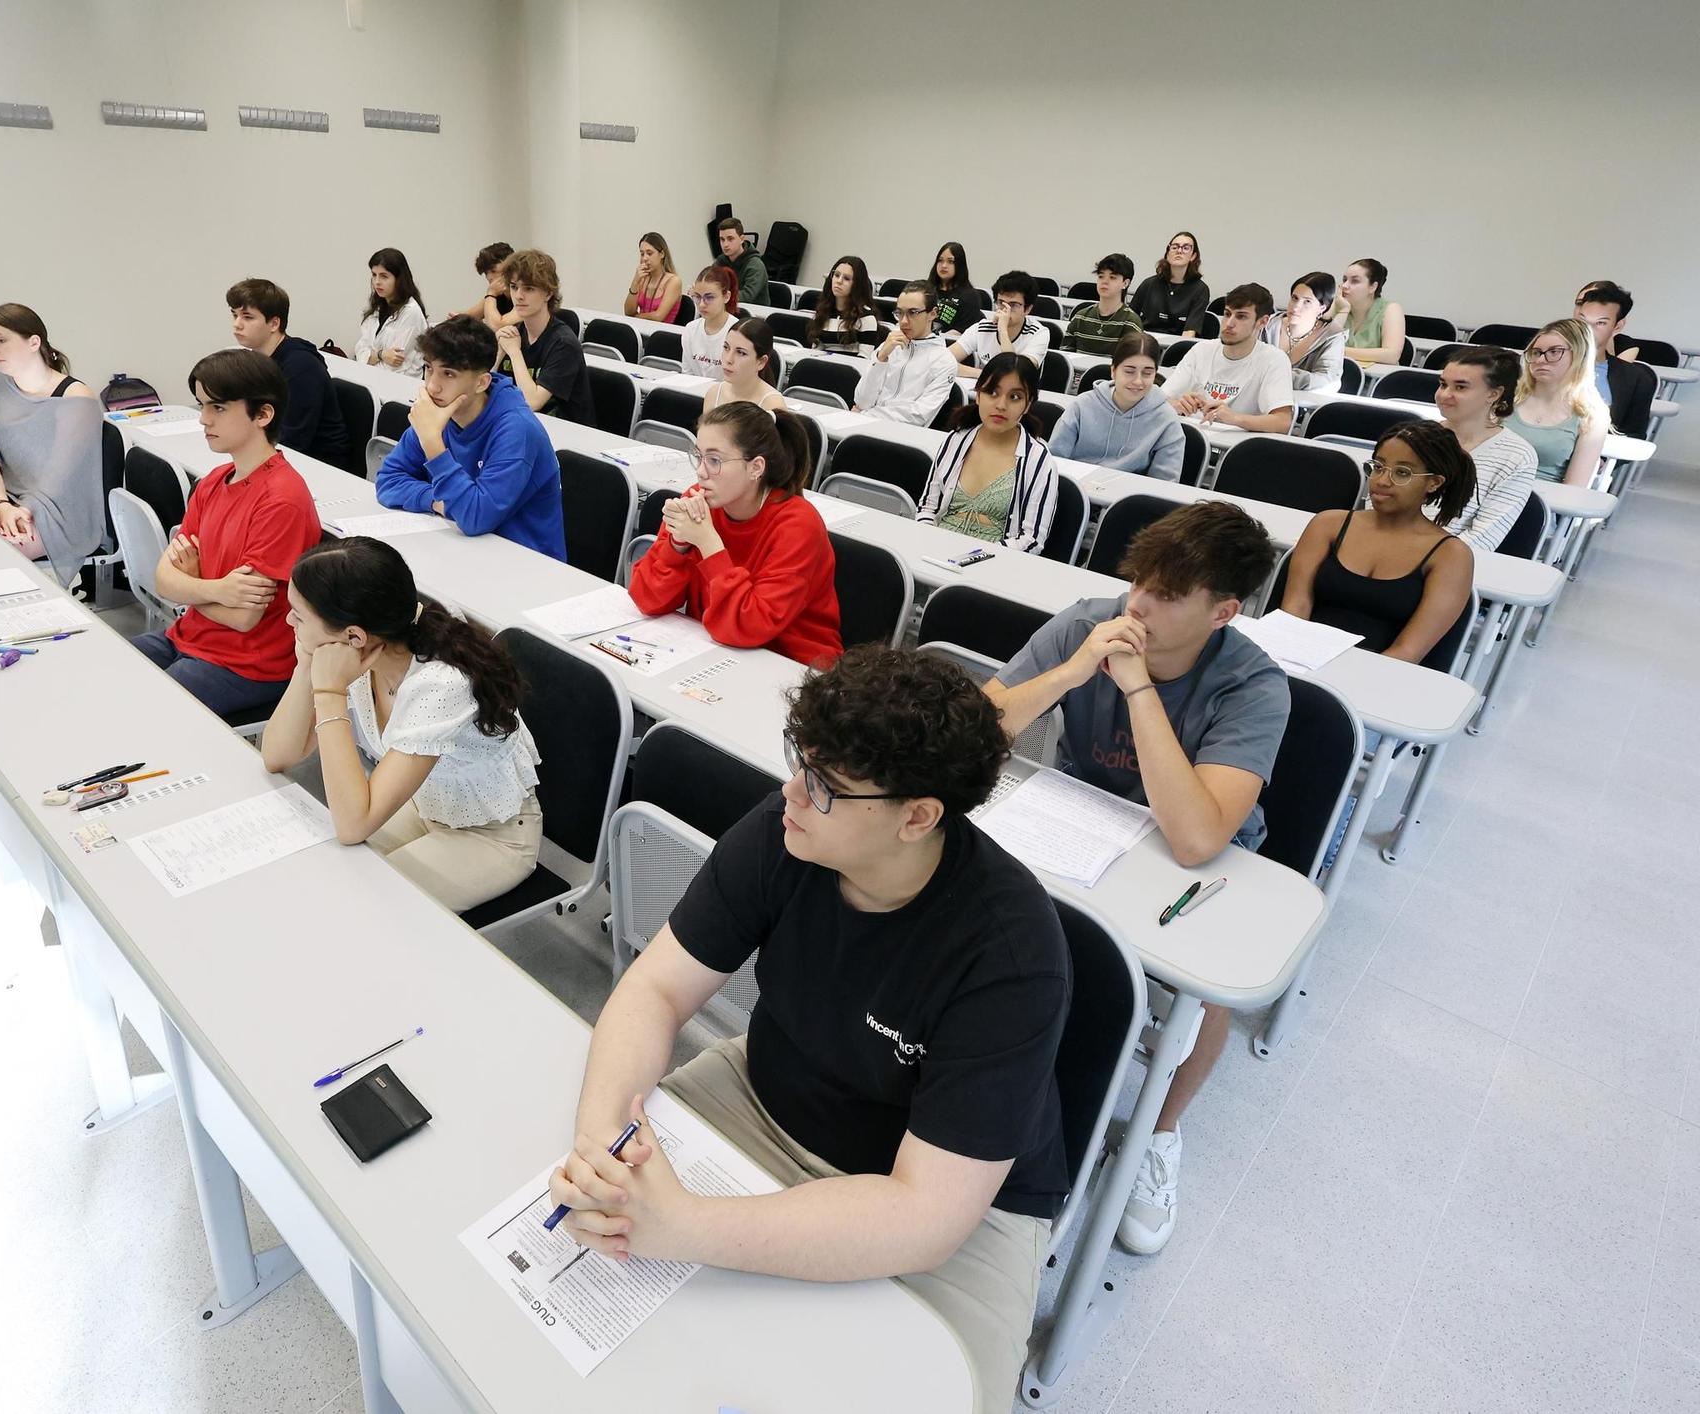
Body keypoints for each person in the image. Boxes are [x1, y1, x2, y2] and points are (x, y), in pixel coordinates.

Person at [547, 644, 1070, 1414]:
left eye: (825, 784)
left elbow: (924, 1218)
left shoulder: (1011, 955)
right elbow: (654, 990)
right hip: (763, 1096)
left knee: (940, 1394)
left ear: (917, 817)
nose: (792, 790)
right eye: (801, 760)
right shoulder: (788, 829)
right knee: (588, 1286)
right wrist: (602, 1153)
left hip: (948, 1196)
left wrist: (687, 1225)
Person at [983, 500, 1286, 1257]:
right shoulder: (1088, 620)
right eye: (1138, 583)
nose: (1137, 605)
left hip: (1203, 864)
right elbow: (975, 731)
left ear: (1222, 611)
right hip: (1080, 823)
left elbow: (1194, 837)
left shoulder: (1253, 687)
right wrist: (1076, 669)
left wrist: (1138, 689)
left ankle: (1158, 1131)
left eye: (1166, 595)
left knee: (1203, 985)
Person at [261, 538, 542, 911]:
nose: (287, 620)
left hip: (492, 835)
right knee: (319, 877)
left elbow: (352, 825)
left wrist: (329, 691)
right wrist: (305, 666)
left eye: (298, 614)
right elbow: (278, 755)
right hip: (425, 806)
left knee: (360, 908)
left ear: (354, 636)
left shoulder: (440, 685)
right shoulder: (361, 654)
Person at [130, 349, 323, 719]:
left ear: (263, 414)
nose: (203, 419)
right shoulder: (214, 482)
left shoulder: (282, 500)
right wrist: (216, 589)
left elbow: (243, 618)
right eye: (201, 405)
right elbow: (162, 580)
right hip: (188, 638)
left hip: (248, 665)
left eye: (217, 408)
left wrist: (189, 584)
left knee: (144, 711)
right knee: (107, 673)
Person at [627, 403, 841, 667]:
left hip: (796, 670)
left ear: (756, 468)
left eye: (715, 460)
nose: (701, 471)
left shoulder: (798, 525)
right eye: (699, 456)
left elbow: (750, 626)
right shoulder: (700, 500)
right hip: (720, 651)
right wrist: (678, 545)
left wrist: (708, 543)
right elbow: (646, 598)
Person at [1280, 420, 1477, 673]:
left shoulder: (1450, 556)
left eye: (1402, 473)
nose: (1382, 480)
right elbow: (1295, 608)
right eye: (1378, 467)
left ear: (1434, 482)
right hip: (1297, 661)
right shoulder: (1328, 525)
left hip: (1380, 676)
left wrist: (1340, 681)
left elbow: (1408, 651)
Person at [376, 315, 566, 560]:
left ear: (481, 382)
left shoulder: (517, 429)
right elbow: (387, 480)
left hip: (525, 563)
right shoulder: (440, 411)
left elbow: (476, 517)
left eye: (449, 374)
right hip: (464, 548)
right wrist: (436, 501)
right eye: (429, 369)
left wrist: (433, 444)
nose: (432, 386)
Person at [0, 303, 105, 589]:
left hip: (56, 504)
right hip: (1, 493)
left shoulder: (76, 395)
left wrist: (18, 510)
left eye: (0, 340)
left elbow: (62, 476)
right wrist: (1, 505)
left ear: (33, 342)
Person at [916, 352, 1060, 553]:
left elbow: (1031, 540)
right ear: (978, 394)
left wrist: (971, 557)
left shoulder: (1038, 460)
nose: (1001, 405)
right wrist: (931, 546)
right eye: (992, 392)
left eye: (1015, 397)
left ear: (1027, 405)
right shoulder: (955, 440)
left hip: (996, 565)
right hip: (935, 552)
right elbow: (927, 508)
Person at [226, 276, 350, 464]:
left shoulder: (301, 367)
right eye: (235, 315)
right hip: (277, 455)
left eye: (248, 317)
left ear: (274, 324)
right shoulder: (255, 360)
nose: (237, 324)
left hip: (319, 466)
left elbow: (292, 441)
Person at [1433, 348, 1538, 553]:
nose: (1444, 395)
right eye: (1443, 384)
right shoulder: (1412, 437)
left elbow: (1483, 538)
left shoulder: (1517, 456)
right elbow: (1378, 508)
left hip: (1445, 564)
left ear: (1494, 394)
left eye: (1460, 387)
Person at [1048, 331, 1184, 480]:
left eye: (1147, 373)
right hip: (1074, 491)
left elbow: (1163, 483)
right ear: (1113, 371)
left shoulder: (1167, 420)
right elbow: (1055, 460)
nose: (1138, 381)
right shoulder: (1082, 405)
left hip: (1130, 499)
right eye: (1129, 371)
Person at [1160, 283, 1295, 433]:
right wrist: (1175, 405)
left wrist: (1235, 418)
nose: (1229, 323)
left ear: (1262, 322)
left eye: (1241, 316)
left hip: (1239, 448)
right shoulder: (1202, 350)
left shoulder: (1274, 360)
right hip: (1190, 437)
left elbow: (1283, 422)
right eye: (1227, 314)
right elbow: (1160, 399)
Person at [493, 248, 596, 426]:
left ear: (548, 293)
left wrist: (514, 353)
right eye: (514, 287)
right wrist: (499, 354)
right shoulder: (514, 334)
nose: (518, 295)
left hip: (567, 434)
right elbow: (483, 390)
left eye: (529, 288)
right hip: (524, 425)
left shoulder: (563, 343)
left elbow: (532, 402)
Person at [1505, 318, 1609, 485]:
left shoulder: (1593, 414)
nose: (1540, 360)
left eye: (1554, 352)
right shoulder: (1508, 395)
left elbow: (1574, 488)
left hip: (1539, 502)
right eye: (1536, 352)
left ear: (1579, 355)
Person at [853, 282, 957, 426]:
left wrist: (867, 415)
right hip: (863, 424)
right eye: (899, 313)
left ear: (932, 314)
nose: (904, 321)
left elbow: (918, 416)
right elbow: (861, 401)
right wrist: (881, 358)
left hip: (901, 436)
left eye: (912, 313)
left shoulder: (944, 361)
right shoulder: (888, 346)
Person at [1572, 281, 1655, 440]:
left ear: (1617, 326)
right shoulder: (1542, 359)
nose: (1587, 329)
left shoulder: (1636, 379)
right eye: (1583, 318)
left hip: (1594, 454)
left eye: (1601, 322)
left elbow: (1634, 435)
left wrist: (1602, 459)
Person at [947, 270, 1049, 376]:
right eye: (1001, 303)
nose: (1005, 309)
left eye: (1013, 305)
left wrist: (1003, 330)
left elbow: (1014, 374)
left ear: (1027, 309)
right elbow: (942, 361)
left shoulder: (1039, 334)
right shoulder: (981, 328)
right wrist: (984, 375)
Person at [1261, 272, 1346, 391]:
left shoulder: (1332, 336)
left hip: (1302, 404)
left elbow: (1326, 378)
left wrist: (1278, 377)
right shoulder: (1268, 325)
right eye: (1294, 298)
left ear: (1322, 308)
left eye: (1307, 301)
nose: (1295, 307)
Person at [353, 247, 428, 375]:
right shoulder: (378, 306)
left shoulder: (411, 312)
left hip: (399, 384)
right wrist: (381, 355)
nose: (377, 282)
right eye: (374, 275)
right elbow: (360, 349)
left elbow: (395, 365)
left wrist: (372, 356)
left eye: (384, 276)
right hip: (372, 377)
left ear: (399, 279)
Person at [701, 318, 787, 416]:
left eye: (741, 353)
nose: (729, 359)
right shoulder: (714, 394)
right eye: (726, 347)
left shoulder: (772, 406)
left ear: (761, 362)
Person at [1062, 254, 1143, 357]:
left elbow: (1130, 363)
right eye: (1101, 276)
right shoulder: (1080, 317)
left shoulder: (1131, 323)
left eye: (1112, 277)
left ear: (1125, 283)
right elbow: (1065, 356)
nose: (1104, 281)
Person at [1130, 232, 1209, 337]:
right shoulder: (1149, 284)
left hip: (1176, 347)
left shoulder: (1200, 290)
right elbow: (1129, 321)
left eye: (1185, 248)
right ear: (1167, 254)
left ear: (1193, 256)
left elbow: (1190, 332)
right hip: (1144, 342)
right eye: (1174, 247)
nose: (1179, 251)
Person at [1334, 258, 1406, 366]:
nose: (1344, 286)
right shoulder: (1338, 305)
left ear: (1373, 287)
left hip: (1377, 380)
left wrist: (1339, 351)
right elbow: (1317, 345)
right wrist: (1342, 310)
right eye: (1344, 280)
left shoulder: (1391, 309)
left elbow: (1392, 355)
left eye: (1354, 281)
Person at [807, 255, 879, 353]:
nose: (839, 281)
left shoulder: (867, 318)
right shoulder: (823, 312)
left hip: (850, 367)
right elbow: (816, 351)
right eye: (836, 275)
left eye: (847, 278)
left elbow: (865, 358)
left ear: (857, 285)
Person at [681, 265, 738, 378]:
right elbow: (687, 374)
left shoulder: (737, 332)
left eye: (709, 297)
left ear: (726, 296)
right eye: (697, 297)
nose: (701, 304)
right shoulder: (690, 329)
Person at [623, 232, 684, 325]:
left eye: (649, 253)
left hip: (662, 335)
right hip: (641, 329)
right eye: (642, 254)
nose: (645, 258)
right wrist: (635, 282)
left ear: (662, 254)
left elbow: (658, 316)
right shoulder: (642, 278)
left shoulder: (673, 281)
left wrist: (636, 317)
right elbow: (628, 312)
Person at [924, 241, 983, 336]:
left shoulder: (970, 296)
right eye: (940, 260)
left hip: (951, 344)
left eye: (950, 261)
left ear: (959, 265)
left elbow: (961, 330)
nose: (944, 265)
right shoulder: (926, 290)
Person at [461, 241, 515, 329]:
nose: (489, 277)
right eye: (486, 273)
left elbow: (497, 325)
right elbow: (470, 316)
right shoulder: (497, 295)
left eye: (494, 271)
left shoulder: (522, 296)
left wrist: (491, 294)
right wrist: (454, 318)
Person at [716, 217, 768, 307]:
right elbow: (709, 282)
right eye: (722, 239)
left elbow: (747, 296)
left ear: (742, 239)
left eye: (730, 239)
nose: (725, 244)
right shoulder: (721, 261)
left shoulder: (755, 265)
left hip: (753, 314)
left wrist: (716, 296)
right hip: (728, 309)